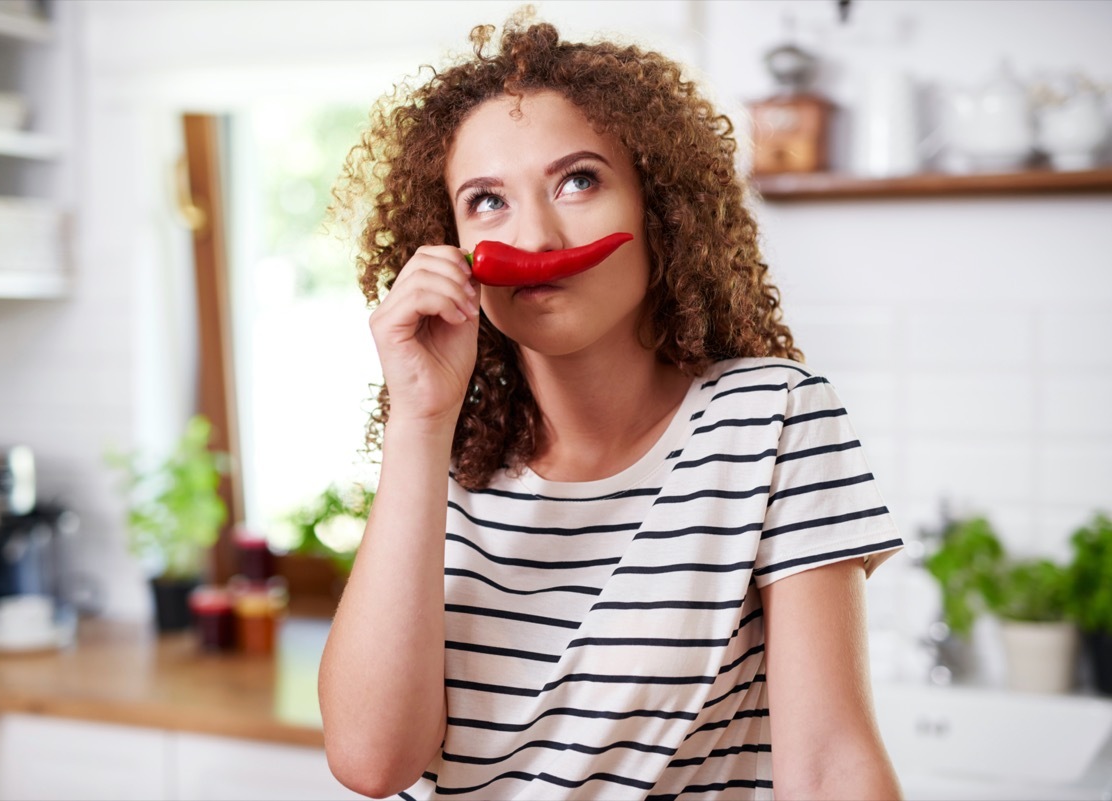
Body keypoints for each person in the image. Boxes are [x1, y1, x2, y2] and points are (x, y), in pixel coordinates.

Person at [319, 11, 904, 801]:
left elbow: (834, 765)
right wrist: (419, 422)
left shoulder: (771, 418)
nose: (536, 230)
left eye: (579, 180)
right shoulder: (442, 459)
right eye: (487, 200)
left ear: (656, 209)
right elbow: (369, 760)